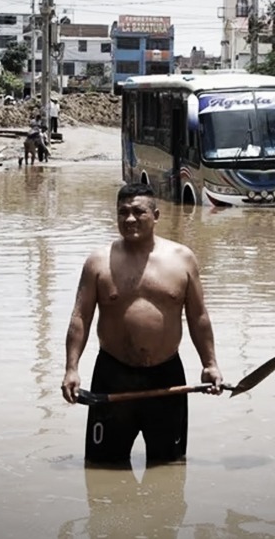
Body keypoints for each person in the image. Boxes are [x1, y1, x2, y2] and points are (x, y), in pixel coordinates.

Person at [61, 183, 223, 465]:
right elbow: (80, 318)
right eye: (123, 212)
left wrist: (210, 363)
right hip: (113, 375)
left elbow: (199, 317)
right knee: (103, 468)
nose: (130, 219)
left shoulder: (182, 259)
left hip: (167, 376)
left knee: (169, 468)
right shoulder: (98, 262)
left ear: (156, 215)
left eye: (138, 212)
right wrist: (71, 368)